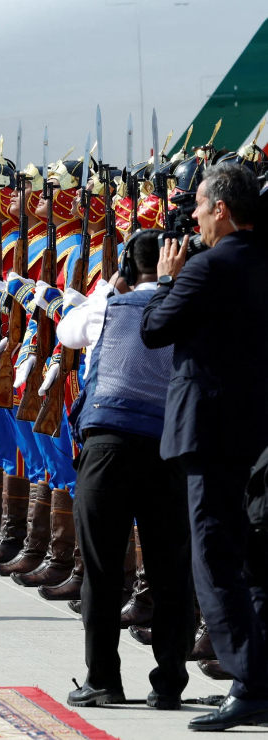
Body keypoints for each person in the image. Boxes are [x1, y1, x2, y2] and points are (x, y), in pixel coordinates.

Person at [141, 162, 268, 731]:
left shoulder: (205, 269)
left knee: (213, 556)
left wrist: (166, 279)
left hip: (209, 429)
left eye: (197, 205)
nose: (191, 215)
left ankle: (250, 681)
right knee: (248, 554)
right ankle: (254, 675)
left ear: (221, 207)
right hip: (252, 427)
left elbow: (154, 330)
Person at [56, 229, 194, 710]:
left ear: (124, 269)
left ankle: (103, 680)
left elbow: (65, 332)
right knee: (171, 568)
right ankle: (170, 682)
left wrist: (105, 289)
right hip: (167, 448)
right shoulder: (186, 306)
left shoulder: (106, 307)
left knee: (101, 567)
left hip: (108, 446)